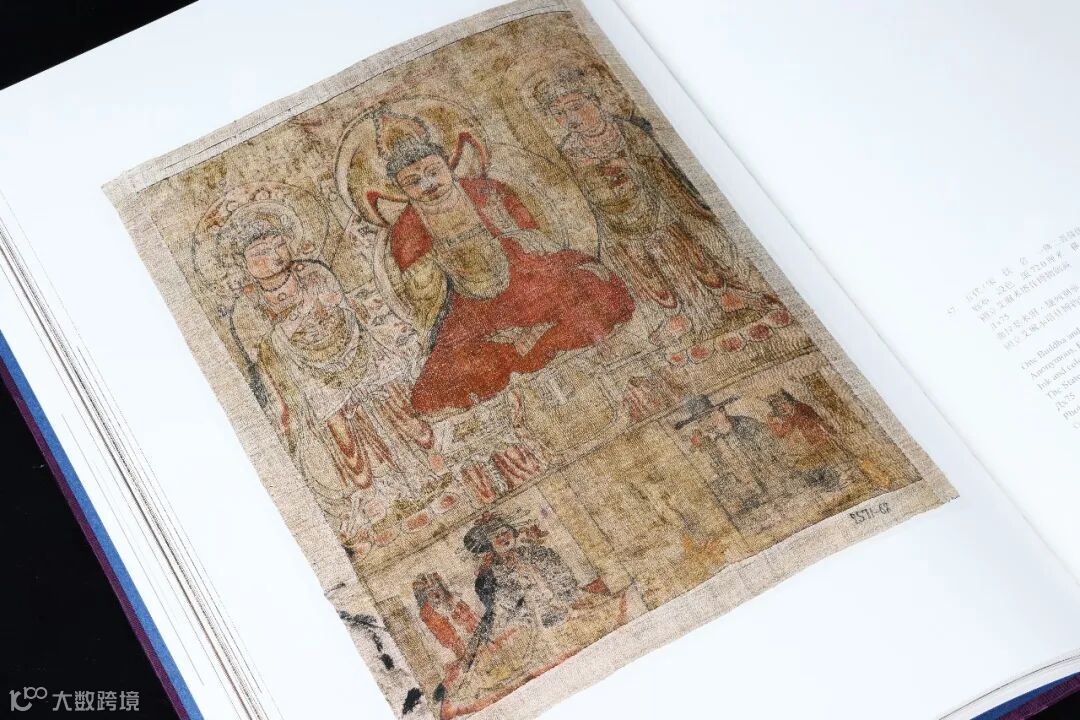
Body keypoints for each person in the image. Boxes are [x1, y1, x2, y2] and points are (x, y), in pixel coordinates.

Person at [381, 117, 635, 415]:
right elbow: (422, 290)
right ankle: (531, 343)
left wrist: (514, 237)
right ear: (401, 189)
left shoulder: (485, 191)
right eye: (413, 182)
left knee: (593, 290)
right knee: (448, 374)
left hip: (525, 274)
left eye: (433, 172)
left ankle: (535, 339)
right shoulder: (407, 228)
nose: (428, 185)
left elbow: (530, 231)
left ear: (448, 166)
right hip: (470, 303)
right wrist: (432, 269)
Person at [533, 67, 779, 343]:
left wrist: (628, 166)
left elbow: (658, 168)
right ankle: (674, 313)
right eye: (559, 114)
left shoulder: (626, 131)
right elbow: (578, 193)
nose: (571, 119)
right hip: (615, 217)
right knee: (638, 263)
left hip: (656, 207)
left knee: (680, 248)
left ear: (595, 100)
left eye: (576, 107)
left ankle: (722, 294)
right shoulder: (570, 150)